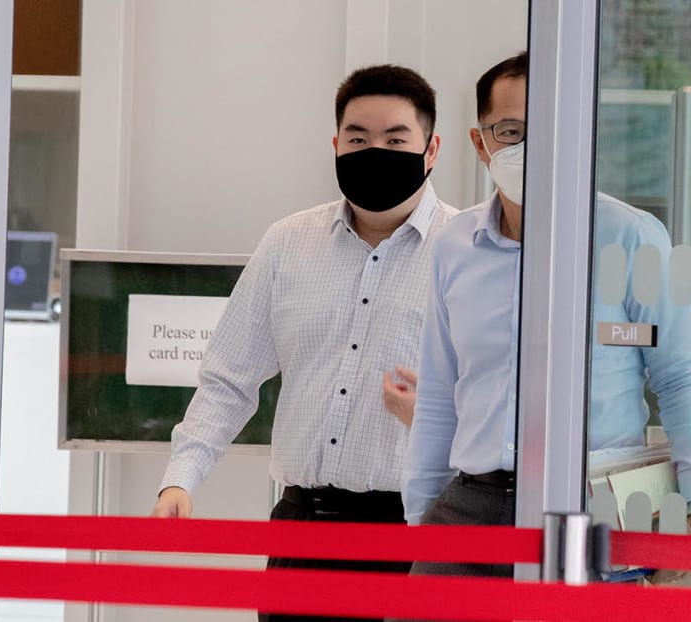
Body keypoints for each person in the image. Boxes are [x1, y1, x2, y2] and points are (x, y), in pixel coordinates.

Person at [401, 51, 691, 588]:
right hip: (471, 505)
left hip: (593, 503)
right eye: (512, 131)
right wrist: (420, 516)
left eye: (552, 128)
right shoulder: (455, 247)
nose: (533, 148)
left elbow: (680, 378)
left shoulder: (634, 239)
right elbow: (439, 392)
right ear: (480, 144)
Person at [151, 64, 457, 622]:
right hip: (303, 527)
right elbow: (228, 378)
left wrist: (437, 415)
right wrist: (181, 477)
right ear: (335, 145)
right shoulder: (288, 242)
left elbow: (505, 405)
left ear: (431, 148)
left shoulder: (466, 252)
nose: (375, 152)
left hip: (419, 532)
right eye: (358, 139)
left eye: (396, 139)